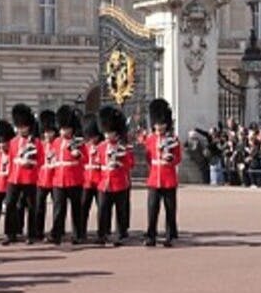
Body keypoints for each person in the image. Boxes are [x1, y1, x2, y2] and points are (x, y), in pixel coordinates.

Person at [143, 98, 181, 247]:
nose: (159, 126)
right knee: (152, 209)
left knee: (170, 210)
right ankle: (151, 236)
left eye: (162, 123)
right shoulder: (150, 139)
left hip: (169, 178)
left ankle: (170, 236)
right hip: (154, 179)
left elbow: (178, 157)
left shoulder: (173, 139)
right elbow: (148, 158)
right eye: (157, 123)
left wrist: (170, 159)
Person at [95, 105, 134, 246]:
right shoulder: (100, 147)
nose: (107, 135)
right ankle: (102, 233)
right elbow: (97, 164)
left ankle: (120, 234)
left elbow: (130, 164)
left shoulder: (124, 147)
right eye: (105, 132)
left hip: (120, 182)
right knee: (103, 210)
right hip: (105, 183)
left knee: (120, 211)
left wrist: (121, 160)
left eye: (109, 132)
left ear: (116, 132)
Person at [48, 105, 85, 245]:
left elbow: (85, 158)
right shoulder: (56, 142)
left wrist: (77, 155)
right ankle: (56, 234)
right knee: (58, 209)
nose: (64, 131)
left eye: (67, 129)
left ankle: (78, 234)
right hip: (59, 180)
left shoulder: (78, 142)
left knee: (76, 209)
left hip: (74, 180)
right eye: (62, 129)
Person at [2, 104, 39, 245]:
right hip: (14, 178)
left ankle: (31, 234)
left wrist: (30, 163)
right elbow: (11, 160)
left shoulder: (35, 142)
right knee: (10, 205)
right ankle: (10, 233)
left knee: (31, 207)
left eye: (23, 126)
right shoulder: (13, 142)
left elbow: (40, 160)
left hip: (29, 178)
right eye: (19, 127)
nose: (21, 129)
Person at [74, 114, 103, 245]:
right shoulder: (83, 146)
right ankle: (80, 233)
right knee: (83, 209)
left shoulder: (102, 146)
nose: (92, 139)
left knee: (102, 209)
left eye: (94, 136)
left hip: (100, 181)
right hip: (86, 182)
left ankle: (102, 233)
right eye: (89, 137)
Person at [32, 109, 57, 244]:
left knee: (57, 208)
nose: (47, 134)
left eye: (50, 132)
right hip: (41, 179)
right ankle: (38, 232)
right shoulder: (39, 144)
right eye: (45, 132)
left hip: (55, 180)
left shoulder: (57, 143)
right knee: (39, 207)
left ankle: (56, 231)